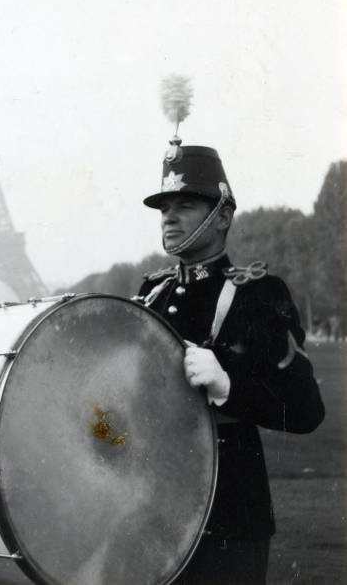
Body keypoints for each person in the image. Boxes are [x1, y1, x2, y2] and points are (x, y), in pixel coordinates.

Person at [137, 141, 325, 584]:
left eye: (185, 204)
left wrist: (227, 387)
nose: (169, 216)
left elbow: (305, 408)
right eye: (164, 206)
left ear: (222, 215)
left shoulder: (259, 294)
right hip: (150, 512)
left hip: (229, 518)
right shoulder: (151, 294)